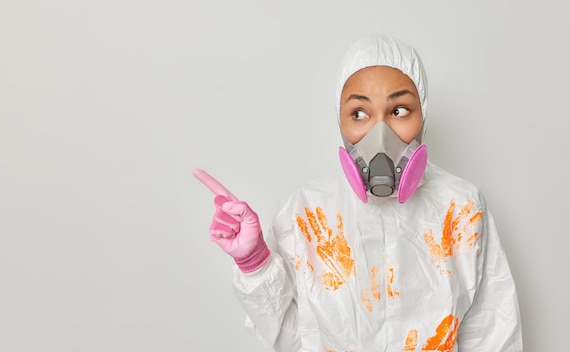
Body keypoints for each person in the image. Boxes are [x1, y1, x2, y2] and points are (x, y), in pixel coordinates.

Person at [194, 35, 523, 352]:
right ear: (340, 121)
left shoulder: (463, 209)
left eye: (399, 111)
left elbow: (493, 331)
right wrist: (254, 262)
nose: (380, 135)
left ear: (423, 115)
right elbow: (292, 338)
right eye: (359, 114)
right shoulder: (307, 213)